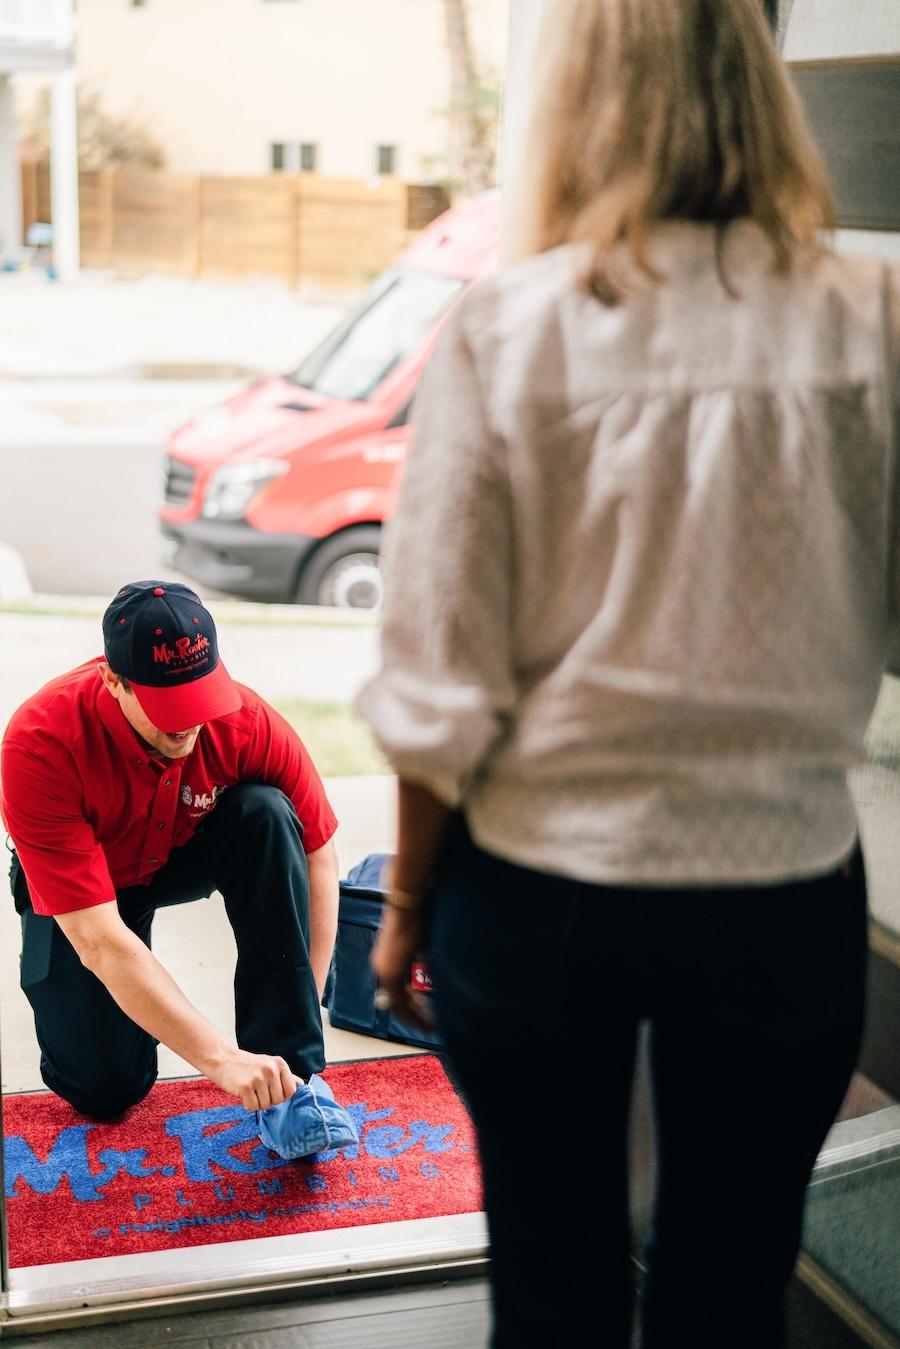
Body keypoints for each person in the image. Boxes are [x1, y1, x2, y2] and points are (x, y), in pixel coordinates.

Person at [356, 0, 900, 1344]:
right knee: (732, 1284)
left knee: (553, 1285)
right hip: (779, 890)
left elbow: (442, 682)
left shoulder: (511, 326)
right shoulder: (875, 316)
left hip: (539, 895)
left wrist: (410, 899)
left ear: (574, 100)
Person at [1, 579, 356, 1156]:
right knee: (105, 1088)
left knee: (266, 814)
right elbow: (98, 941)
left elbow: (319, 854)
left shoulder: (245, 720)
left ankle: (292, 1086)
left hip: (180, 852)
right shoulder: (40, 743)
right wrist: (219, 1060)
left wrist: (302, 1007)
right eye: (169, 710)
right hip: (92, 893)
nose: (189, 724)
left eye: (199, 700)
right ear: (114, 681)